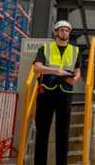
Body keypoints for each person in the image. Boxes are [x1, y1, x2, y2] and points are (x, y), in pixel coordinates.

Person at [33, 20, 81, 165]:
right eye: (62, 30)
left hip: (65, 93)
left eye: (67, 31)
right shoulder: (45, 48)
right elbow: (37, 68)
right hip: (46, 93)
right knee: (42, 132)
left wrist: (76, 79)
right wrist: (56, 70)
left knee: (63, 133)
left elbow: (78, 70)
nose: (64, 33)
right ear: (56, 32)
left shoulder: (75, 50)